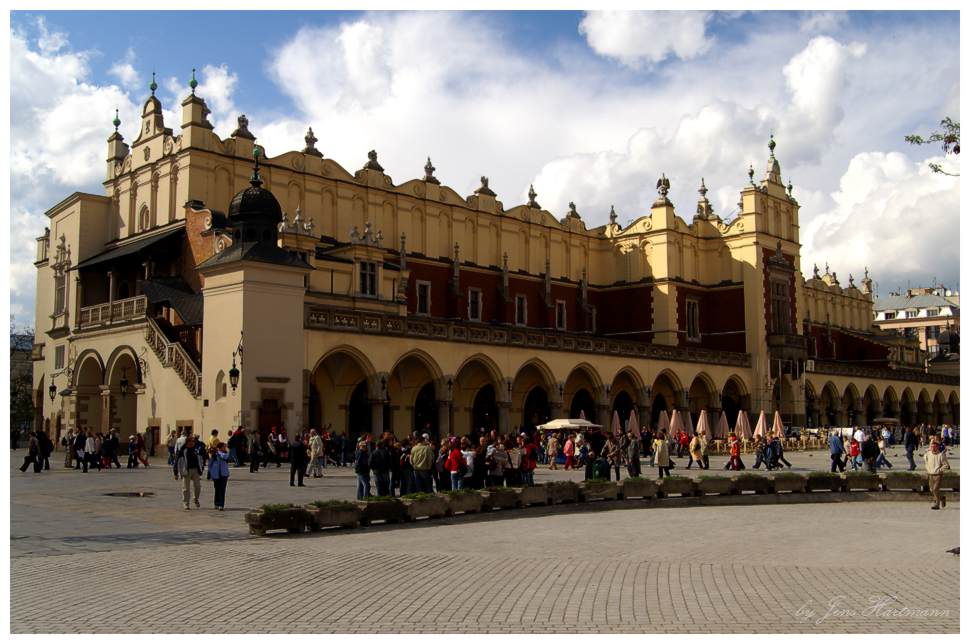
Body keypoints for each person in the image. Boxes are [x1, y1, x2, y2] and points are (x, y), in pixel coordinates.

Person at [173, 434, 203, 510]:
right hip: (186, 470)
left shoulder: (196, 449)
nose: (193, 443)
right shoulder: (183, 450)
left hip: (196, 470)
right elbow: (176, 461)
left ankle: (195, 499)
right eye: (192, 441)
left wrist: (201, 468)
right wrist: (175, 472)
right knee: (186, 488)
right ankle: (186, 503)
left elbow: (201, 458)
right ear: (187, 442)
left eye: (194, 441)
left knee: (198, 487)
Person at [924, 438, 950, 510]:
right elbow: (925, 461)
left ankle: (937, 504)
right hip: (930, 474)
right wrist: (927, 469)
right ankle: (942, 498)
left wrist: (940, 470)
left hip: (938, 475)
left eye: (934, 447)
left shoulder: (941, 455)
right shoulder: (927, 454)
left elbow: (946, 465)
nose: (933, 448)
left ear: (937, 447)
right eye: (932, 447)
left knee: (935, 489)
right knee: (932, 490)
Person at [208, 442, 230, 510]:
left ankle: (221, 504)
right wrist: (210, 474)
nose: (225, 448)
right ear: (220, 448)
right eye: (223, 447)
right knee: (217, 489)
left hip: (224, 474)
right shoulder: (214, 455)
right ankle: (216, 503)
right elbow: (210, 464)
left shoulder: (225, 454)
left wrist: (218, 452)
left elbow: (225, 457)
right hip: (216, 475)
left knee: (222, 489)